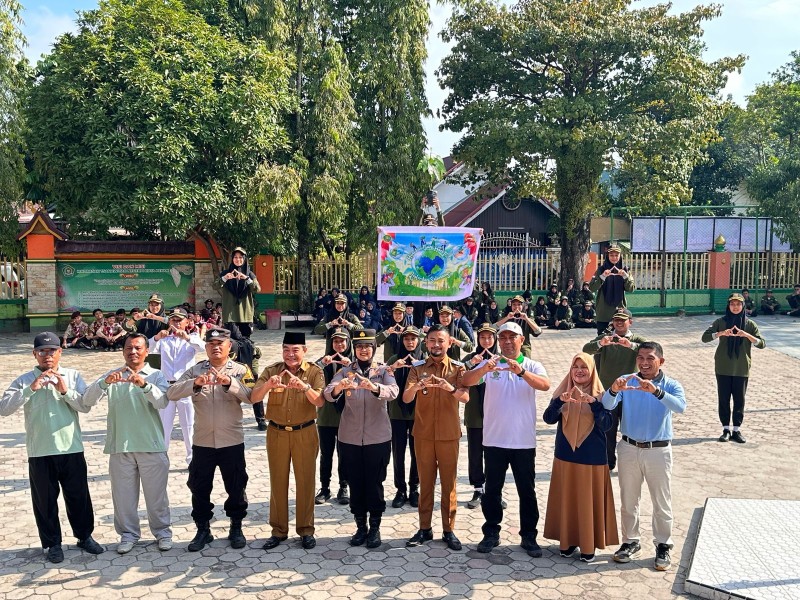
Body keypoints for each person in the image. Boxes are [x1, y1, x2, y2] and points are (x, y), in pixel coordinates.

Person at [0, 332, 104, 563]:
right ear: (34, 354)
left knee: (78, 496)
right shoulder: (24, 379)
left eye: (52, 350)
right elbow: (4, 408)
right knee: (45, 501)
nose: (47, 355)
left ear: (60, 352)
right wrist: (31, 389)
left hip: (71, 446)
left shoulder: (73, 375)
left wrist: (65, 390)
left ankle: (84, 536)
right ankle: (52, 544)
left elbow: (85, 406)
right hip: (40, 450)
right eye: (42, 351)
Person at [461, 322, 550, 558]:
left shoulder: (532, 365)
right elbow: (466, 381)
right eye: (504, 339)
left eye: (513, 338)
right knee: (492, 490)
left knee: (526, 491)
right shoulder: (492, 366)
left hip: (523, 441)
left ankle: (529, 535)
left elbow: (545, 385)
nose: (508, 342)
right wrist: (483, 369)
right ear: (499, 342)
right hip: (494, 440)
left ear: (522, 340)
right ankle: (491, 532)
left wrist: (520, 371)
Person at [167, 329, 256, 552]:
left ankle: (236, 527)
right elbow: (172, 392)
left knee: (236, 487)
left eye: (220, 343)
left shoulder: (240, 370)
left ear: (229, 347)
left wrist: (229, 383)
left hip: (231, 441)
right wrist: (195, 384)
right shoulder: (196, 370)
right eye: (211, 343)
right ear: (205, 347)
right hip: (203, 442)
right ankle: (203, 529)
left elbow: (252, 396)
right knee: (199, 487)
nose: (215, 347)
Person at [602, 342, 686, 571]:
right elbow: (606, 405)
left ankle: (663, 544)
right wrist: (613, 390)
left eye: (650, 358)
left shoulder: (671, 385)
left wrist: (656, 392)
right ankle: (630, 541)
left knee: (662, 502)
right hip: (629, 448)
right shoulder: (628, 380)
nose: (644, 363)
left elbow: (680, 407)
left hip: (658, 450)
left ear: (661, 361)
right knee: (629, 500)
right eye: (640, 358)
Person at [84, 334, 172, 554]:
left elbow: (162, 402)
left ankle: (162, 532)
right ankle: (128, 534)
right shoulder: (113, 375)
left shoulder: (156, 375)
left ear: (146, 351)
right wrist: (104, 383)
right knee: (123, 497)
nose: (133, 352)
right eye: (129, 348)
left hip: (151, 444)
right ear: (123, 351)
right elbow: (86, 400)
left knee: (156, 496)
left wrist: (145, 385)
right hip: (120, 445)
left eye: (138, 348)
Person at [324, 329, 399, 548]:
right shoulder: (346, 370)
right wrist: (340, 386)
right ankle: (360, 526)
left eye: (367, 346)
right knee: (355, 482)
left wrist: (374, 387)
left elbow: (393, 391)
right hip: (350, 437)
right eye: (359, 347)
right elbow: (328, 394)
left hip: (378, 437)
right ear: (354, 349)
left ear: (374, 349)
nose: (363, 350)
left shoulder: (383, 370)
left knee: (374, 482)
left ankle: (375, 527)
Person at [252, 332, 325, 551]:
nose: (290, 354)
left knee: (305, 482)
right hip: (277, 432)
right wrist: (268, 385)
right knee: (278, 481)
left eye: (295, 350)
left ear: (304, 351)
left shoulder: (314, 371)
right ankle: (278, 530)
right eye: (286, 349)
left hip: (305, 432)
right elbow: (254, 397)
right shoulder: (272, 370)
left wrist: (304, 387)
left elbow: (320, 401)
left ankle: (306, 530)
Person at [543, 353, 618, 563]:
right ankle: (567, 542)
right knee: (568, 499)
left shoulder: (603, 396)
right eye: (575, 366)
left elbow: (606, 425)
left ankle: (587, 544)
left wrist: (593, 404)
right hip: (565, 455)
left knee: (586, 501)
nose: (579, 371)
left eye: (584, 367)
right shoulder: (563, 392)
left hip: (591, 457)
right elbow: (548, 419)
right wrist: (559, 401)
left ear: (592, 370)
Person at [402, 325, 469, 551]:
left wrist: (450, 388)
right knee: (426, 483)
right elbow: (407, 398)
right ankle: (424, 529)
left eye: (441, 341)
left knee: (449, 484)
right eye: (432, 341)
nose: (436, 345)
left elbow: (465, 397)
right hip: (423, 435)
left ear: (449, 343)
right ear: (426, 343)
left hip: (449, 435)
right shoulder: (417, 368)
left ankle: (449, 530)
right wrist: (418, 385)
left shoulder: (458, 368)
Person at [582, 307, 647, 470]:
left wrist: (631, 345)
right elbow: (586, 349)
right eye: (616, 320)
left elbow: (650, 350)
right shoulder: (606, 338)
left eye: (622, 320)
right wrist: (600, 343)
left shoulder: (637, 339)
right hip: (608, 391)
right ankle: (608, 462)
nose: (618, 323)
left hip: (630, 393)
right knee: (608, 430)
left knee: (630, 429)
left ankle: (630, 463)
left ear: (630, 322)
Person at [701, 293, 766, 444]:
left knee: (739, 400)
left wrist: (746, 335)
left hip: (741, 368)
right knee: (723, 399)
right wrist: (721, 333)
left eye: (738, 304)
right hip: (723, 367)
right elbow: (704, 338)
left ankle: (736, 430)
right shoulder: (721, 322)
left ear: (743, 306)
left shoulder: (750, 324)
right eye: (732, 304)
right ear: (728, 306)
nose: (735, 307)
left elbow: (762, 343)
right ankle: (725, 429)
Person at [150, 307, 205, 465]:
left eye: (180, 320)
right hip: (167, 387)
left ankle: (192, 459)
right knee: (164, 426)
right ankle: (162, 459)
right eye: (173, 320)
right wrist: (156, 338)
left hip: (185, 386)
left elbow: (202, 348)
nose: (176, 323)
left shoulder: (192, 338)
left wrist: (187, 338)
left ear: (187, 322)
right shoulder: (164, 339)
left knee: (188, 426)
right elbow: (149, 350)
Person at [386, 326, 425, 509]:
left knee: (417, 452)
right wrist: (394, 367)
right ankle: (400, 489)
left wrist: (419, 367)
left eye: (413, 339)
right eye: (406, 339)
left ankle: (414, 488)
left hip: (419, 413)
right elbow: (382, 379)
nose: (410, 342)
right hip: (397, 413)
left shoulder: (424, 360)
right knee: (398, 452)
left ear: (419, 341)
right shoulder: (395, 359)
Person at [462, 323, 498, 509]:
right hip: (475, 414)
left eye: (489, 337)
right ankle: (478, 488)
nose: (486, 341)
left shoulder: (502, 358)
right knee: (475, 453)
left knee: (494, 454)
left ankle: (493, 490)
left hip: (497, 416)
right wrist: (472, 363)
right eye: (482, 337)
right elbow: (458, 375)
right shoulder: (471, 358)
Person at [314, 328, 352, 506]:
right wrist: (322, 363)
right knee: (326, 453)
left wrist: (350, 365)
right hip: (326, 415)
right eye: (335, 341)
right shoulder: (321, 362)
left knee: (344, 453)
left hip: (347, 414)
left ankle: (344, 486)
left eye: (342, 341)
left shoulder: (354, 362)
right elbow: (310, 374)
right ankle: (325, 487)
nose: (339, 344)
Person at [589, 245, 636, 334]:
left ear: (620, 256)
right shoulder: (601, 269)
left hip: (619, 311)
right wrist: (603, 276)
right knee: (603, 338)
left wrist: (625, 276)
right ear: (607, 256)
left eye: (616, 255)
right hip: (603, 311)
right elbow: (592, 288)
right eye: (611, 255)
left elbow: (631, 289)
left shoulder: (625, 269)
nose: (614, 258)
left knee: (620, 339)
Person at [218, 247, 261, 338]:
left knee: (246, 341)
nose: (238, 259)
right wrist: (225, 278)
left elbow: (257, 289)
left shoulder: (250, 275)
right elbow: (215, 286)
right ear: (232, 259)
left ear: (244, 259)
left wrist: (247, 279)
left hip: (245, 314)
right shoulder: (225, 274)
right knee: (234, 340)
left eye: (241, 257)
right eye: (235, 257)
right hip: (230, 314)